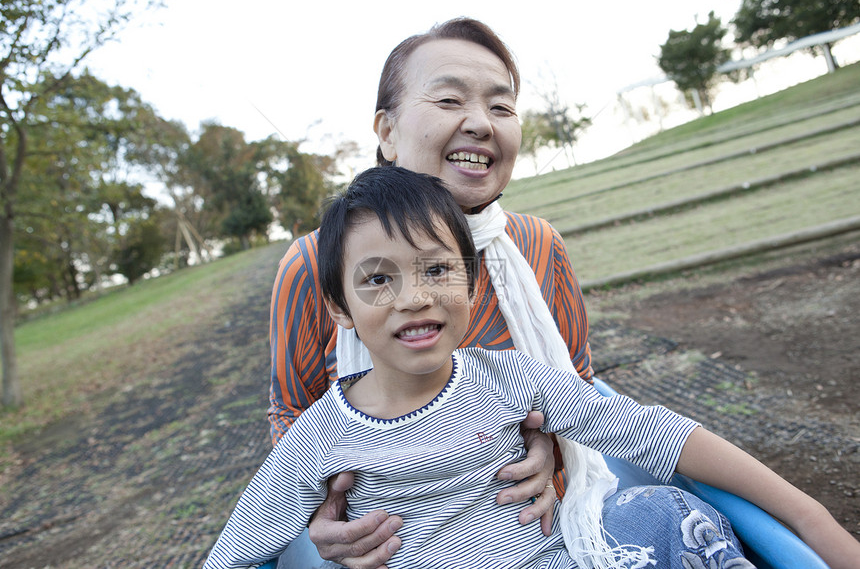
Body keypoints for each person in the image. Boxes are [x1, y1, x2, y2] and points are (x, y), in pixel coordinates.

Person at [209, 167, 860, 569]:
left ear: (470, 281)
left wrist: (812, 519)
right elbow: (238, 548)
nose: (414, 296)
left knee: (672, 515)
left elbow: (647, 431)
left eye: (437, 269)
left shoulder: (507, 378)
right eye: (377, 279)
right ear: (338, 307)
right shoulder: (321, 435)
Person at [269, 17, 582, 568]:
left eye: (502, 107)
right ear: (386, 132)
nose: (481, 124)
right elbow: (292, 416)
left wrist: (549, 448)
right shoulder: (314, 263)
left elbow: (580, 386)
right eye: (448, 100)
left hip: (534, 529)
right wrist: (324, 514)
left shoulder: (537, 245)